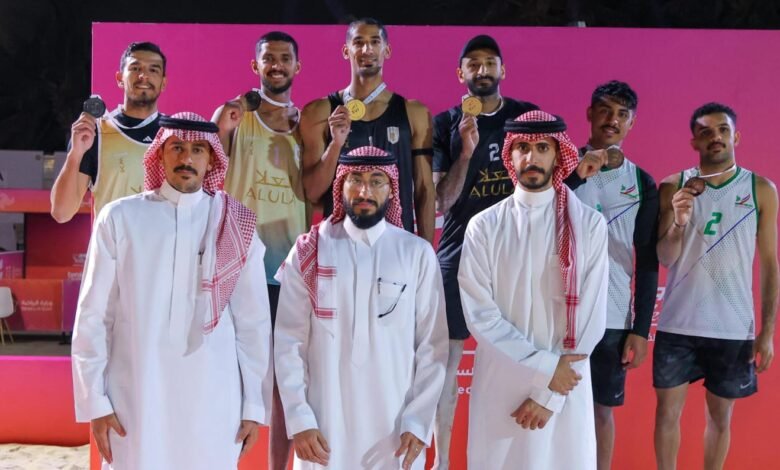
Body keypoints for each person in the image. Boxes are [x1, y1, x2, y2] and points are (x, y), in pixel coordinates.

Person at [71, 112, 274, 469]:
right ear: (159, 155)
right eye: (176, 147)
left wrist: (253, 406)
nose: (186, 158)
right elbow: (93, 315)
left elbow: (253, 323)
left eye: (197, 150)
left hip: (214, 397)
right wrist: (96, 404)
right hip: (135, 394)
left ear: (211, 159)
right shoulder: (120, 218)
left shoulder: (234, 224)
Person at [274, 145, 448, 469]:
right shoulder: (310, 250)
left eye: (376, 180)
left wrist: (418, 421)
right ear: (341, 185)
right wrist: (299, 419)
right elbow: (289, 342)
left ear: (392, 189)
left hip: (395, 432)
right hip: (323, 428)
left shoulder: (416, 253)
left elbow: (432, 347)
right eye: (355, 179)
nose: (365, 191)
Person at [458, 110, 608, 470]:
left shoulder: (588, 225)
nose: (532, 157)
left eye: (543, 148)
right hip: (502, 385)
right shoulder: (484, 227)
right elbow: (481, 316)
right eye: (522, 147)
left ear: (558, 155)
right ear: (509, 155)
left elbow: (589, 323)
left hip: (563, 392)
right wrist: (545, 368)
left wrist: (549, 395)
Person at [430, 34, 538, 469]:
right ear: (460, 74)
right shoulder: (445, 123)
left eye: (489, 62)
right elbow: (442, 201)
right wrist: (466, 151)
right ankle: (441, 461)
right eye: (472, 64)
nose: (482, 70)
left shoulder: (526, 118)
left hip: (514, 257)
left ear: (502, 70)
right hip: (458, 255)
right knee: (446, 365)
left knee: (515, 363)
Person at [654, 102, 778, 470]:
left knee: (720, 419)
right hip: (678, 324)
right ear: (694, 142)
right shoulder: (672, 185)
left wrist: (767, 332)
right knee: (666, 415)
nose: (716, 137)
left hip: (732, 327)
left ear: (736, 137)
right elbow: (664, 257)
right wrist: (678, 222)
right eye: (705, 132)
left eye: (723, 130)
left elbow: (770, 265)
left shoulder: (760, 189)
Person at [211, 30, 308, 470]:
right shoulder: (233, 117)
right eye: (269, 58)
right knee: (231, 372)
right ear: (256, 66)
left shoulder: (306, 125)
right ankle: (221, 460)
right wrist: (227, 119)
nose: (277, 65)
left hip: (287, 269)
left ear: (297, 67)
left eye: (285, 58)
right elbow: (210, 166)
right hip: (237, 265)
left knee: (284, 383)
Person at [572, 80, 659, 470]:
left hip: (613, 317)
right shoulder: (561, 167)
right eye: (605, 110)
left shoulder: (642, 182)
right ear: (590, 114)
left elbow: (648, 260)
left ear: (632, 123)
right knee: (551, 407)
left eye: (622, 114)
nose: (612, 120)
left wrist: (640, 330)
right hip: (561, 315)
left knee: (601, 412)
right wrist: (577, 174)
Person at [299, 17, 435, 243]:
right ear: (346, 51)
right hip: (341, 243)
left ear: (387, 51)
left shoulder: (414, 112)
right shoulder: (319, 112)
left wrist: (427, 252)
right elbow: (312, 193)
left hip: (396, 242)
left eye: (374, 42)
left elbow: (424, 190)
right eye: (359, 42)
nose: (367, 49)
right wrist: (336, 144)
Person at [51, 41, 167, 222]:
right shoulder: (95, 133)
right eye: (135, 68)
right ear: (120, 78)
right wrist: (75, 153)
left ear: (163, 82)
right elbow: (61, 213)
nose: (144, 75)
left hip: (161, 242)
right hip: (110, 242)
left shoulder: (174, 135)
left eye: (153, 70)